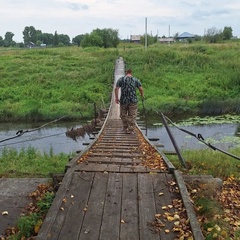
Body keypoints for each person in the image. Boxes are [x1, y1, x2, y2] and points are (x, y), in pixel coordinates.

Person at [115, 69, 144, 134]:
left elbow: (116, 89)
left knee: (123, 115)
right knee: (132, 115)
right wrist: (142, 96)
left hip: (123, 100)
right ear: (131, 73)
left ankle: (125, 128)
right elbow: (141, 89)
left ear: (126, 73)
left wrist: (116, 98)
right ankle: (131, 130)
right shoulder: (136, 79)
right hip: (133, 100)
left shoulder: (121, 79)